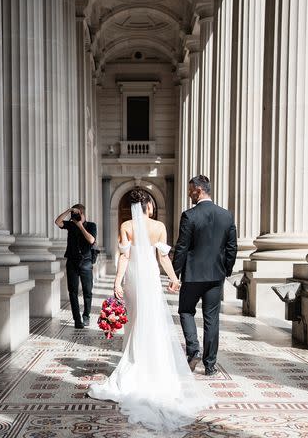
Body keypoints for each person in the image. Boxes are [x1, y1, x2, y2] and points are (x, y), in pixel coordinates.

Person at [88, 189, 214, 431]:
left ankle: (135, 360)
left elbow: (124, 257)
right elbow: (163, 257)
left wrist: (117, 282)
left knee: (134, 323)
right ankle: (154, 365)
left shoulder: (126, 225)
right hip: (151, 279)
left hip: (134, 279)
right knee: (154, 321)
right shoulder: (158, 226)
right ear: (147, 206)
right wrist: (174, 278)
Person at [173, 175, 237, 376]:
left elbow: (181, 248)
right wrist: (225, 270)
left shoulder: (189, 216)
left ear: (199, 190)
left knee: (185, 311)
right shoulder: (226, 215)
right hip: (216, 276)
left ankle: (193, 350)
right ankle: (210, 365)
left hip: (192, 276)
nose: (189, 194)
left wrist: (175, 274)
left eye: (191, 190)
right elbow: (232, 248)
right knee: (212, 319)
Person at [55, 204, 97, 329]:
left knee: (87, 291)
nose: (76, 217)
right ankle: (77, 320)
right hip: (72, 262)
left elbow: (91, 240)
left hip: (86, 262)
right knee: (72, 292)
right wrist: (68, 211)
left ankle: (86, 316)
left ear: (83, 214)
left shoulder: (91, 226)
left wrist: (80, 226)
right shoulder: (70, 225)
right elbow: (57, 222)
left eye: (78, 214)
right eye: (75, 215)